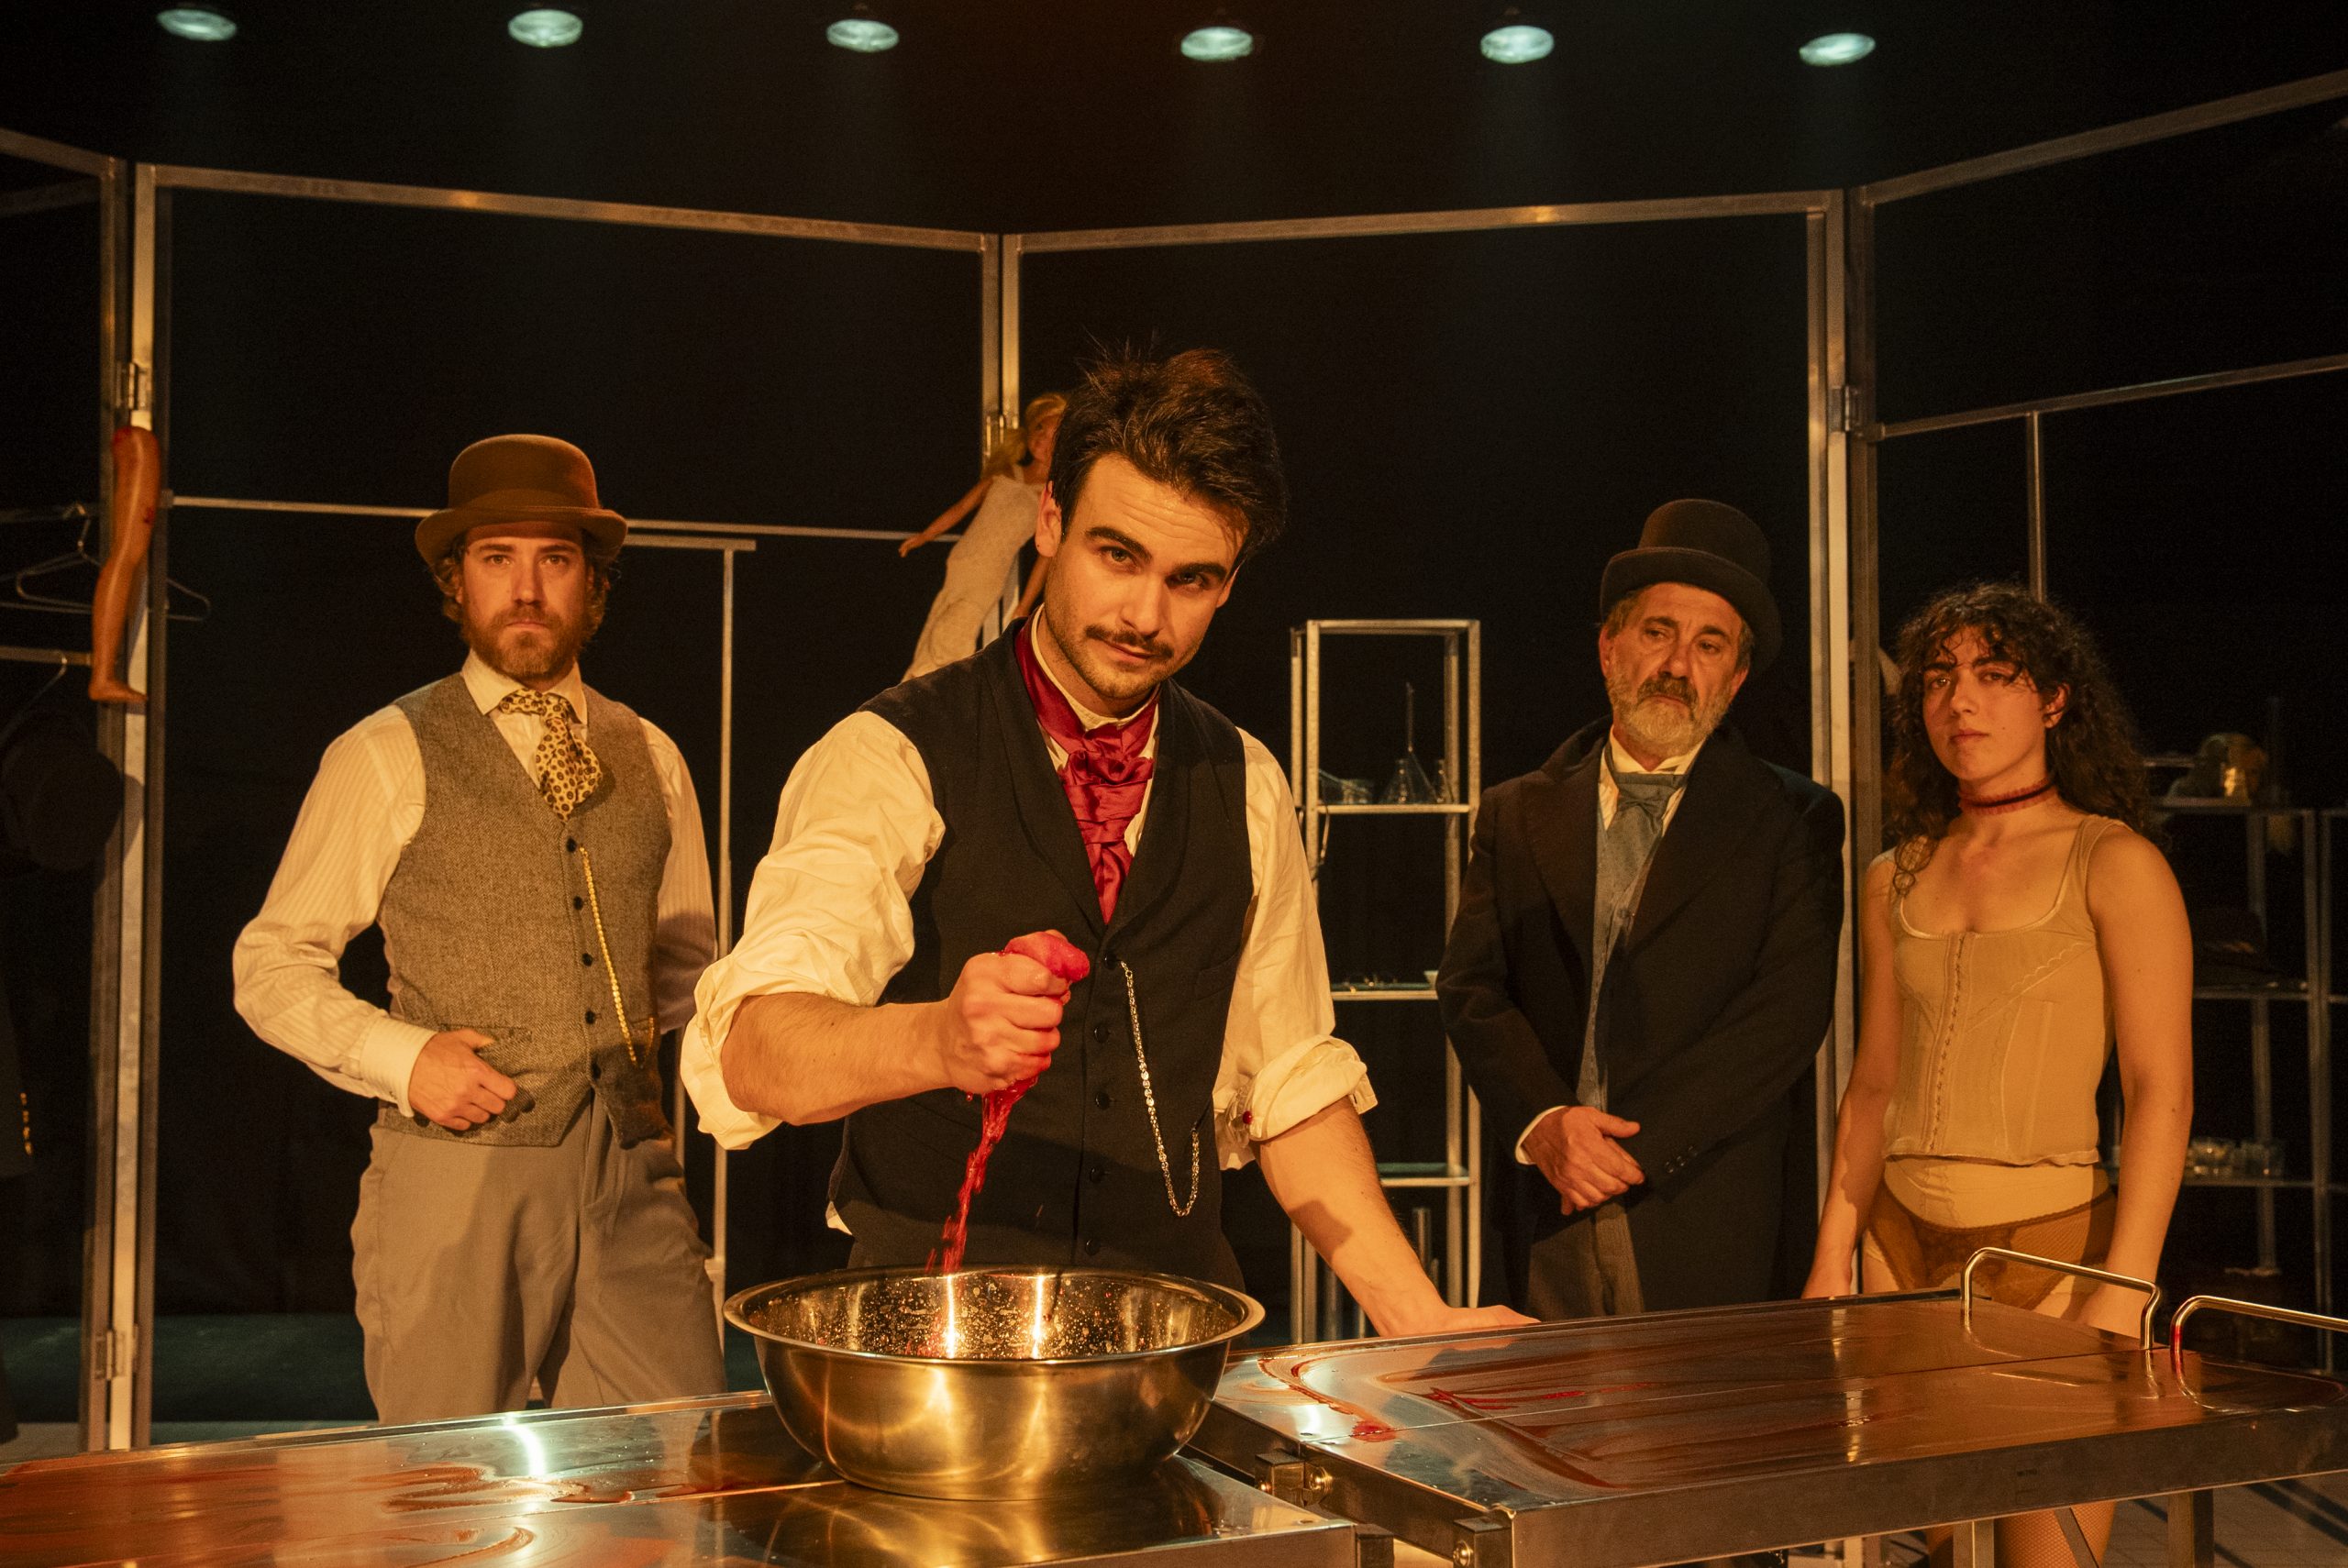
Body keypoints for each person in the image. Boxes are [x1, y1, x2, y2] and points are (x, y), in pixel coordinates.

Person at [686, 350, 1528, 1339]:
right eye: (1116, 556)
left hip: (1169, 1332)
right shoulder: (893, 753)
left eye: (1190, 579)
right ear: (1049, 524)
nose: (1144, 616)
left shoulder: (1246, 780)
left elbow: (1289, 1080)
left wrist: (1418, 1315)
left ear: (1229, 583)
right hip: (933, 1340)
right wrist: (935, 1040)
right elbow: (756, 1052)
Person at [233, 434, 725, 1425]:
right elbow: (271, 964)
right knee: (446, 1479)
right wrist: (404, 1058)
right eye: (498, 559)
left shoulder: (652, 753)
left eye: (556, 560)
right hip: (459, 1171)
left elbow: (685, 963)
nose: (528, 590)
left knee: (676, 1460)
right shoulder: (388, 750)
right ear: (457, 582)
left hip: (632, 1171)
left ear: (594, 583)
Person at [1804, 581, 2190, 1568]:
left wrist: (2126, 1287)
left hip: (2052, 1254)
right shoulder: (1895, 872)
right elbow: (1872, 1083)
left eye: (1994, 673)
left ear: (2054, 699)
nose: (1960, 700)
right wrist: (1832, 1254)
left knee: (2048, 1551)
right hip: (1901, 1250)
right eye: (1938, 678)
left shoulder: (2114, 862)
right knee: (1945, 1552)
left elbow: (2161, 1092)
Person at [1437, 500, 1844, 1320]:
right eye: (1659, 632)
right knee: (1540, 1402)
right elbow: (1473, 989)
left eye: (1710, 645)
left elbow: (1784, 1017)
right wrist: (1547, 1123)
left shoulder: (1792, 819)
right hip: (1547, 1203)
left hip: (1704, 1211)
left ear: (1735, 678)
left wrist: (1633, 1152)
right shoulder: (1517, 812)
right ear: (1609, 647)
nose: (1677, 664)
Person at [901, 392, 1066, 679]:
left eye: (1054, 435)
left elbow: (1046, 557)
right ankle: (919, 688)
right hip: (960, 562)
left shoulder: (1051, 496)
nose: (1043, 439)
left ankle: (933, 687)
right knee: (935, 628)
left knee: (953, 638)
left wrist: (1024, 605)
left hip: (989, 574)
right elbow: (962, 507)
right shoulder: (1005, 473)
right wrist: (925, 536)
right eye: (1040, 428)